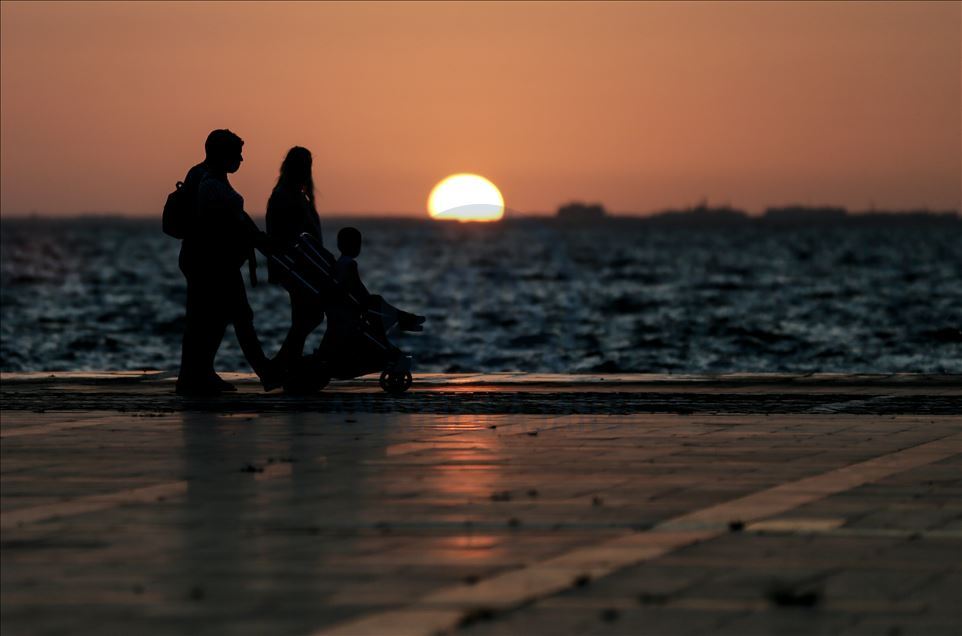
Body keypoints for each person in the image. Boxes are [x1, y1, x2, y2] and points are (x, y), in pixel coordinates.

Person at [176, 129, 283, 395]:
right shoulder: (208, 182)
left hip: (207, 260)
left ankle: (196, 375)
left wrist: (257, 238)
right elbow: (223, 222)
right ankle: (264, 373)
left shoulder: (207, 175)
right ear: (222, 154)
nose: (241, 160)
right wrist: (256, 239)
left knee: (209, 319)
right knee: (236, 315)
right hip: (212, 263)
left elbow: (238, 215)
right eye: (237, 154)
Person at [265, 147, 325, 371]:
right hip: (295, 265)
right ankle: (284, 361)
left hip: (305, 265)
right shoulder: (285, 196)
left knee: (303, 315)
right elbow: (287, 234)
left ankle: (289, 361)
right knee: (310, 314)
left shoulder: (298, 194)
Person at [332, 227, 425, 335]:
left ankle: (404, 318)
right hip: (355, 304)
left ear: (339, 245)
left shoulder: (337, 263)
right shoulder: (350, 264)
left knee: (377, 302)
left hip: (351, 302)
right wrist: (366, 299)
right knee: (377, 301)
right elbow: (356, 286)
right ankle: (405, 318)